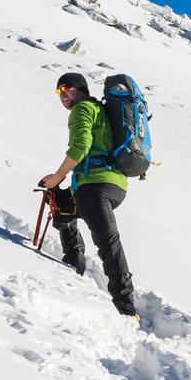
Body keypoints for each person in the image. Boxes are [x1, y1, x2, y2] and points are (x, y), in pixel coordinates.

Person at [40, 72, 139, 318]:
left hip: (95, 186)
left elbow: (81, 146)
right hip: (114, 185)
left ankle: (126, 308)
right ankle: (72, 267)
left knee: (108, 243)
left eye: (66, 89)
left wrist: (58, 176)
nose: (62, 95)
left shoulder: (82, 109)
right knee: (63, 207)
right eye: (58, 92)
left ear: (81, 89)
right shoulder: (100, 109)